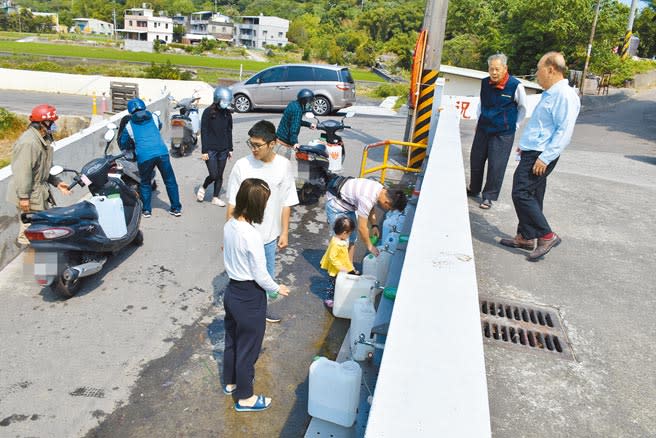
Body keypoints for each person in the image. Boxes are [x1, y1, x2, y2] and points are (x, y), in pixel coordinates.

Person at [499, 52, 580, 261]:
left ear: (551, 69)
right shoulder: (551, 93)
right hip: (534, 150)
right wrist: (525, 146)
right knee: (533, 194)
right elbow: (543, 126)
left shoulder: (565, 95)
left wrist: (545, 157)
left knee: (521, 192)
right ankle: (526, 237)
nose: (537, 73)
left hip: (542, 154)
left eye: (539, 68)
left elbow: (564, 131)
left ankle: (546, 235)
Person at [222, 178, 290, 412]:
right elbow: (260, 274)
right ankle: (246, 398)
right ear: (256, 206)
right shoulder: (251, 235)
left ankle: (230, 382)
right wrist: (276, 287)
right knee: (248, 348)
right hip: (249, 296)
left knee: (232, 340)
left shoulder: (229, 224)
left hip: (232, 291)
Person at [226, 120, 299, 323]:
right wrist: (228, 234)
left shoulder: (283, 166)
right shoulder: (242, 166)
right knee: (242, 279)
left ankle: (261, 311)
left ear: (272, 143)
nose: (254, 149)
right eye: (251, 144)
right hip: (242, 235)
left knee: (265, 276)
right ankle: (241, 313)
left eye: (258, 145)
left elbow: (287, 201)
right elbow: (232, 203)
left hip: (268, 237)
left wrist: (284, 232)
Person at [468, 53, 527, 210]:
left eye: (497, 69)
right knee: (476, 159)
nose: (494, 72)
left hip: (503, 132)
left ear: (505, 68)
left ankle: (489, 197)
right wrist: (478, 120)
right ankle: (474, 188)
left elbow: (523, 108)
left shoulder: (515, 85)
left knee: (496, 165)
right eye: (491, 69)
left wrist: (515, 125)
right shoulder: (485, 83)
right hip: (483, 128)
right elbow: (481, 103)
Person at [8, 104, 70, 246]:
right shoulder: (29, 143)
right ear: (42, 123)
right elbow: (23, 172)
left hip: (38, 193)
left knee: (40, 231)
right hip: (29, 193)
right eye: (51, 122)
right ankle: (30, 263)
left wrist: (57, 182)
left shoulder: (43, 138)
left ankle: (38, 262)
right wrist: (24, 197)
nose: (54, 125)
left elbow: (43, 168)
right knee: (30, 233)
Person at [120, 98, 182, 218]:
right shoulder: (153, 117)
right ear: (144, 107)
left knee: (145, 182)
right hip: (161, 152)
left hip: (144, 156)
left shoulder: (129, 126)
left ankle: (147, 210)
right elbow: (159, 126)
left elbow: (123, 143)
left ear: (130, 112)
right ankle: (176, 208)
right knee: (170, 181)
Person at [325, 177, 393, 261]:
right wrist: (370, 246)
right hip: (336, 204)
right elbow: (362, 228)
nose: (387, 210)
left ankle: (349, 267)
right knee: (340, 239)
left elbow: (370, 208)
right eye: (388, 208)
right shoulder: (367, 199)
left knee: (352, 238)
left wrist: (374, 225)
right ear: (386, 203)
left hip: (349, 206)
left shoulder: (379, 189)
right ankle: (337, 268)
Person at [197, 86, 234, 206]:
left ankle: (215, 197)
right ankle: (204, 186)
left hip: (223, 149)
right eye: (224, 101)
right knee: (214, 174)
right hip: (211, 149)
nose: (226, 104)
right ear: (217, 99)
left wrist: (230, 148)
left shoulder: (227, 113)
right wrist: (204, 151)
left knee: (220, 175)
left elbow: (229, 131)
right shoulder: (208, 112)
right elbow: (204, 131)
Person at [320, 216, 357, 308]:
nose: (349, 236)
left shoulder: (340, 240)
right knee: (332, 285)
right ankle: (328, 299)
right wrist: (340, 267)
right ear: (344, 233)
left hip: (341, 265)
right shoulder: (336, 244)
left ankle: (337, 296)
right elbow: (332, 258)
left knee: (338, 283)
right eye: (349, 234)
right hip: (335, 269)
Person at [276, 88, 316, 159]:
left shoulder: (293, 104)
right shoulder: (298, 110)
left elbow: (295, 121)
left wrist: (309, 124)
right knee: (286, 165)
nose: (309, 104)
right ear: (304, 101)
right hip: (285, 143)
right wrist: (295, 142)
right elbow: (294, 128)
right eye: (309, 102)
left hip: (279, 138)